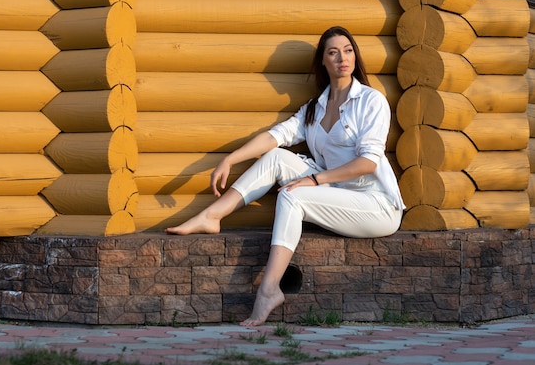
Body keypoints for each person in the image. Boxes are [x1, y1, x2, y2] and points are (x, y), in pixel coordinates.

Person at [165, 26, 405, 326]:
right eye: (333, 52)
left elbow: (369, 162)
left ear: (355, 56)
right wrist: (230, 158)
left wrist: (315, 180)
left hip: (376, 205)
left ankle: (269, 289)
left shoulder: (372, 101)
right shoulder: (315, 109)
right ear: (323, 62)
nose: (342, 57)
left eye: (348, 50)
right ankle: (213, 216)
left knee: (293, 195)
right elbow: (276, 137)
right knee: (278, 157)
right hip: (335, 192)